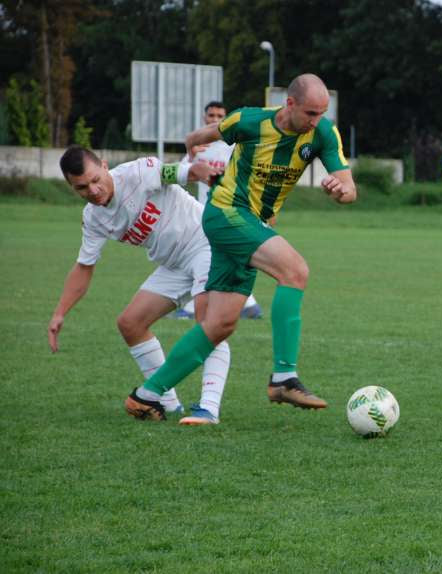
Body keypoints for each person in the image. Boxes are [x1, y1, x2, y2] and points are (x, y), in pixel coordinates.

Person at [124, 73, 357, 421]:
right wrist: (193, 143)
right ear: (289, 104)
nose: (316, 121)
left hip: (253, 226)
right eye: (310, 113)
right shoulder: (250, 120)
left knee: (220, 324)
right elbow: (203, 135)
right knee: (295, 271)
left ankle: (146, 395)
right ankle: (283, 377)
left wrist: (340, 192)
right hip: (225, 213)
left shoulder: (323, 133)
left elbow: (349, 188)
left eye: (322, 113)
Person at [49, 146, 231, 425]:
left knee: (209, 322)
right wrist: (60, 312)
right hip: (173, 264)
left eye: (96, 179)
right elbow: (84, 266)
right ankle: (168, 404)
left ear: (105, 165)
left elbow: (182, 171)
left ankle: (208, 409)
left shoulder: (138, 172)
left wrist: (203, 171)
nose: (93, 190)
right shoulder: (94, 217)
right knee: (130, 323)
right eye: (82, 187)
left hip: (205, 242)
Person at [173, 101, 264, 320]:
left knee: (210, 260)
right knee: (219, 259)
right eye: (211, 115)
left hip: (228, 212)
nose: (214, 119)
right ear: (205, 118)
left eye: (219, 115)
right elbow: (182, 174)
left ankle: (192, 308)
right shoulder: (198, 148)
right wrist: (192, 157)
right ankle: (249, 304)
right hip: (202, 213)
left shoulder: (234, 147)